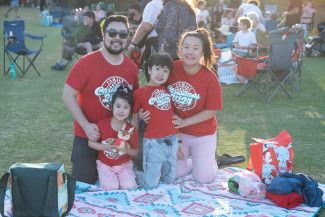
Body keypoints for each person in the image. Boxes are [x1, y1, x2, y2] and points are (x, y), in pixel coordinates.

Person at [62, 15, 139, 184]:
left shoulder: (131, 68)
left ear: (128, 37)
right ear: (104, 34)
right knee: (83, 186)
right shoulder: (86, 63)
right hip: (89, 136)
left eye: (123, 34)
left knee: (127, 183)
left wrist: (133, 129)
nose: (117, 38)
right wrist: (86, 125)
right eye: (112, 33)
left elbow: (135, 104)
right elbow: (67, 95)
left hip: (120, 138)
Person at [166, 28, 223, 184]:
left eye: (195, 48)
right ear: (180, 49)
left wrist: (185, 122)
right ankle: (194, 163)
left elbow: (212, 110)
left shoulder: (210, 78)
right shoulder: (171, 69)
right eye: (186, 46)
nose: (190, 52)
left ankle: (209, 162)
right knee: (175, 174)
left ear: (203, 52)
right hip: (178, 134)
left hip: (203, 133)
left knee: (204, 179)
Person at [132, 53, 178, 189]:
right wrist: (138, 121)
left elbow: (172, 115)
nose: (161, 73)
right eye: (157, 69)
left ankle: (154, 171)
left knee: (170, 179)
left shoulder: (168, 90)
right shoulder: (140, 93)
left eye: (165, 71)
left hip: (171, 140)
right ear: (149, 70)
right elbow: (134, 115)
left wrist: (178, 140)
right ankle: (136, 173)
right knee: (150, 185)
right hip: (153, 143)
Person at [88, 86, 139, 190]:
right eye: (118, 106)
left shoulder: (130, 130)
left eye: (125, 107)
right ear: (112, 107)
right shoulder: (102, 124)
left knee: (130, 188)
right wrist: (105, 147)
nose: (121, 110)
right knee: (111, 188)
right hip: (105, 165)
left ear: (130, 110)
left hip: (124, 165)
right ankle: (107, 178)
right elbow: (91, 143)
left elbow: (136, 152)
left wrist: (125, 150)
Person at [127, 0, 163, 69]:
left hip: (155, 43)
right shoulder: (178, 4)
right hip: (172, 45)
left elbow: (145, 27)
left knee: (153, 74)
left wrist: (132, 45)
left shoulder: (154, 4)